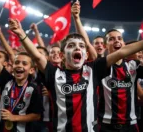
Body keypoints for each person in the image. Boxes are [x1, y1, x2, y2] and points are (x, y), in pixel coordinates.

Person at [8, 18, 143, 132]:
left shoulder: (93, 70)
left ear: (87, 54)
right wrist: (21, 34)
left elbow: (121, 53)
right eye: (71, 45)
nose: (77, 48)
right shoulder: (54, 73)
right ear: (62, 55)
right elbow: (37, 57)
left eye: (81, 46)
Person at [0, 51, 42, 132]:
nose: (19, 65)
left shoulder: (33, 89)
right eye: (17, 62)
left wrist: (14, 117)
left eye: (24, 63)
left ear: (31, 70)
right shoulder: (7, 80)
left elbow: (37, 115)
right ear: (12, 67)